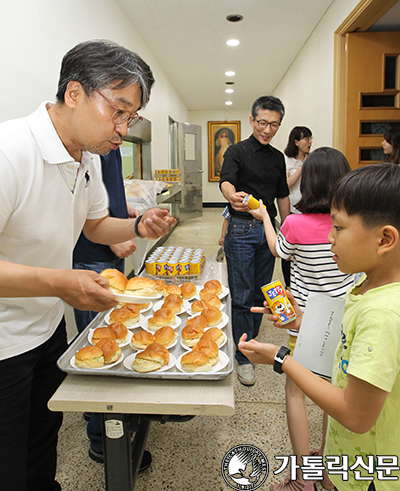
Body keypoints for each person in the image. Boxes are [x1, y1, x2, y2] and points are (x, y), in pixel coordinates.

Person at [0, 39, 176, 491]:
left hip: (45, 328)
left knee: (43, 441)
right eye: (118, 110)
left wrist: (138, 226)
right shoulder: (9, 151)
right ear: (74, 93)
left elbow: (95, 225)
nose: (123, 127)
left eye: (131, 116)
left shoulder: (90, 157)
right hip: (3, 341)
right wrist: (60, 282)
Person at [239, 162, 400, 491]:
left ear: (385, 239)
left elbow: (355, 415)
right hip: (349, 460)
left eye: (338, 228)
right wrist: (301, 321)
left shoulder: (384, 314)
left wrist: (281, 358)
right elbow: (349, 339)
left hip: (369, 473)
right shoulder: (367, 286)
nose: (329, 237)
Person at [248, 147, 355, 491]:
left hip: (304, 320)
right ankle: (325, 467)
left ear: (307, 182)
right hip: (343, 320)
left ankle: (303, 480)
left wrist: (265, 216)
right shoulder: (350, 224)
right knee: (331, 396)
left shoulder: (295, 223)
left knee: (296, 393)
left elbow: (277, 250)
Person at [219, 95, 290, 386]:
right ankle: (243, 355)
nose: (268, 129)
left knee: (264, 293)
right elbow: (226, 181)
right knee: (242, 293)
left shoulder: (277, 157)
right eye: (263, 122)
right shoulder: (236, 151)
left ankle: (251, 340)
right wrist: (230, 195)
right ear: (252, 120)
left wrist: (288, 229)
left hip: (268, 228)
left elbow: (283, 195)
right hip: (241, 229)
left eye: (274, 124)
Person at [281, 126, 313, 288]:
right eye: (306, 138)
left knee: (305, 249)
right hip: (293, 210)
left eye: (310, 138)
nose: (310, 142)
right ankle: (289, 285)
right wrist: (302, 167)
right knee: (288, 251)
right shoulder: (286, 160)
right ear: (296, 141)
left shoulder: (312, 158)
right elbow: (286, 185)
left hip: (311, 210)